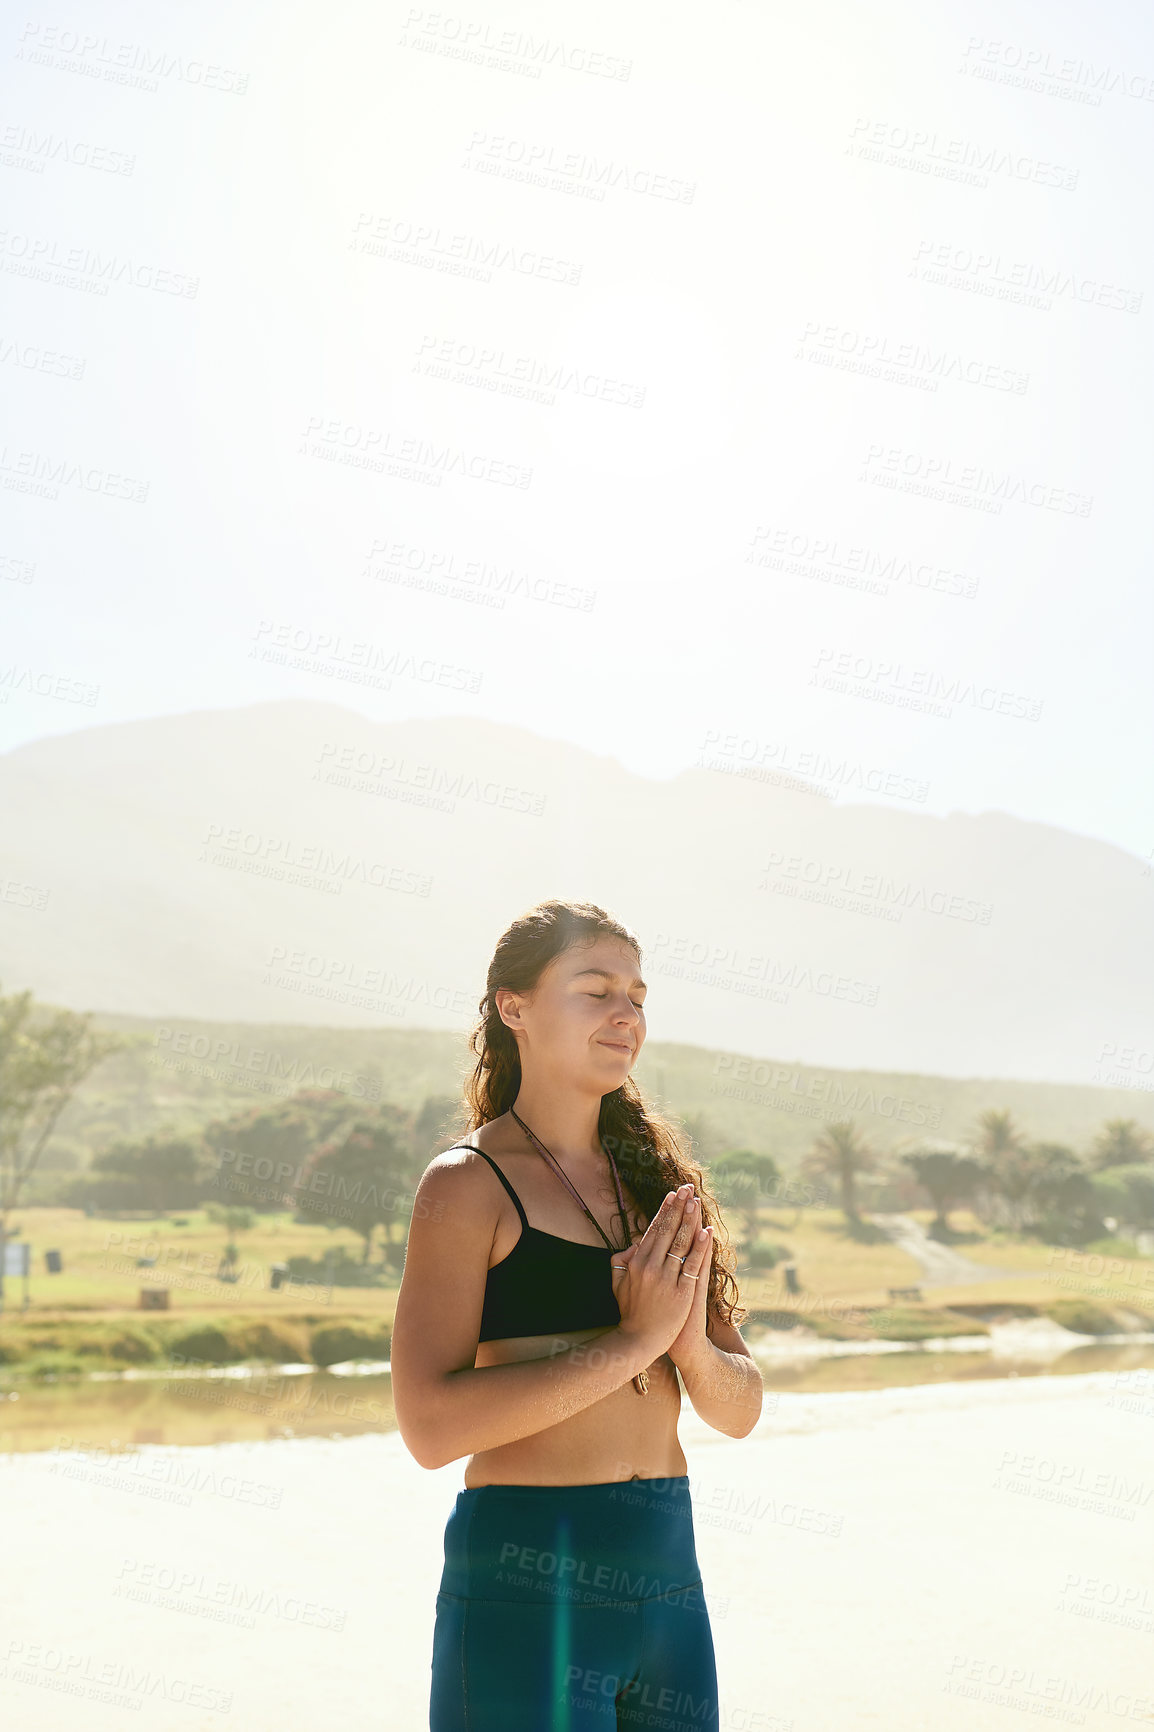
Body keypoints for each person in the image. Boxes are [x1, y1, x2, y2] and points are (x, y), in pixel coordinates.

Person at [391, 899, 764, 1730]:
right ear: (513, 1007)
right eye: (595, 990)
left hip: (669, 1579)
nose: (625, 1014)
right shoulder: (466, 1185)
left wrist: (687, 1348)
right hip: (529, 1584)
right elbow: (429, 1427)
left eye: (636, 995)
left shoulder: (659, 1187)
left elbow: (739, 1411)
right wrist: (632, 1342)